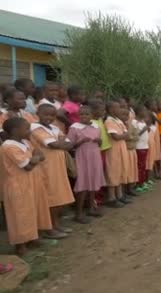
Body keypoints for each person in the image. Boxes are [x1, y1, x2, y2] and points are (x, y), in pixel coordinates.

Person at [0, 117, 52, 256]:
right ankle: (20, 245)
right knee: (19, 214)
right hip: (17, 184)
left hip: (30, 182)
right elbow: (27, 166)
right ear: (15, 130)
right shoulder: (9, 146)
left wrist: (34, 158)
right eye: (27, 128)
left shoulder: (25, 142)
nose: (29, 131)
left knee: (32, 210)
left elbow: (40, 155)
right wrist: (34, 158)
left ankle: (32, 238)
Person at [31, 104, 75, 232]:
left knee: (59, 196)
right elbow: (54, 144)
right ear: (38, 113)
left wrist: (62, 144)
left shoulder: (54, 128)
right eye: (46, 114)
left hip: (58, 167)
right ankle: (49, 227)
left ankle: (55, 224)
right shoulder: (35, 128)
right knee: (50, 197)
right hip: (46, 168)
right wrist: (62, 143)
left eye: (52, 115)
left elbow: (69, 144)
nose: (49, 117)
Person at [67, 105, 106, 223]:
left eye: (87, 114)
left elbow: (99, 143)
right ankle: (78, 214)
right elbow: (70, 145)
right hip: (82, 158)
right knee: (82, 184)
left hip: (94, 157)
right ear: (78, 115)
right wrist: (81, 141)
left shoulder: (96, 126)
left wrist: (99, 141)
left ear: (92, 116)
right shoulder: (75, 128)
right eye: (82, 114)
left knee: (93, 182)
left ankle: (91, 208)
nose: (84, 116)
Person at [104, 100, 130, 207]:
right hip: (113, 150)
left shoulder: (118, 121)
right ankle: (111, 198)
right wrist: (124, 135)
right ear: (111, 110)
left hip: (121, 148)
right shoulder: (109, 121)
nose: (120, 109)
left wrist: (124, 135)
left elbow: (126, 134)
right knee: (113, 171)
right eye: (117, 107)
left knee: (120, 170)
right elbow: (116, 136)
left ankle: (119, 195)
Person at [119, 108, 140, 197]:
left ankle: (130, 188)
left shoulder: (130, 125)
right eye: (123, 114)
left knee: (132, 170)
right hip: (125, 151)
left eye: (127, 115)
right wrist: (130, 137)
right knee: (125, 171)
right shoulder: (119, 125)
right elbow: (125, 137)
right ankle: (123, 191)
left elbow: (136, 136)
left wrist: (129, 137)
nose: (125, 117)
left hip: (132, 150)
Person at [132, 105, 150, 192]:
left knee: (143, 165)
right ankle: (139, 184)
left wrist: (147, 129)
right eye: (144, 111)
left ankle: (142, 182)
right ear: (139, 112)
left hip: (145, 146)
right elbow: (135, 135)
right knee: (140, 166)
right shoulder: (134, 122)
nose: (146, 113)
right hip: (139, 147)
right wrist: (144, 130)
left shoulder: (142, 121)